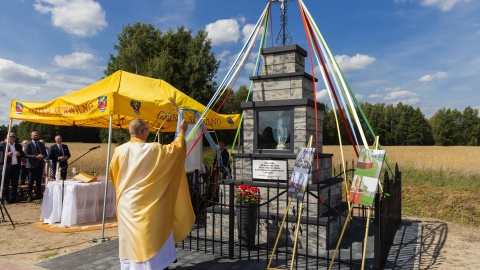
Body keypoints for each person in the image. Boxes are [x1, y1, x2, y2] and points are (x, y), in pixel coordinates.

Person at [109, 118, 195, 269]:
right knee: (150, 238)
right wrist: (182, 132)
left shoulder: (118, 150)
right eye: (147, 130)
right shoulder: (152, 149)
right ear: (143, 132)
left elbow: (113, 176)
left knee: (130, 240)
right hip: (147, 204)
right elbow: (175, 151)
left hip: (126, 204)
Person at [0, 133, 25, 204]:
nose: (12, 138)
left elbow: (23, 154)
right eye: (11, 136)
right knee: (5, 184)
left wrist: (19, 153)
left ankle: (13, 198)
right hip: (6, 168)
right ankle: (5, 198)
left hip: (16, 167)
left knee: (14, 184)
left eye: (14, 137)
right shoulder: (2, 145)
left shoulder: (18, 145)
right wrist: (6, 155)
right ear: (7, 137)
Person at [24, 131, 48, 202]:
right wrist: (35, 156)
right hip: (31, 165)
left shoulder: (41, 144)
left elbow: (45, 154)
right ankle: (29, 195)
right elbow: (25, 154)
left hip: (40, 165)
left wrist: (42, 156)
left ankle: (38, 194)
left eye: (37, 135)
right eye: (34, 135)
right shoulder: (28, 144)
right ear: (31, 136)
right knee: (31, 181)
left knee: (39, 181)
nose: (36, 136)